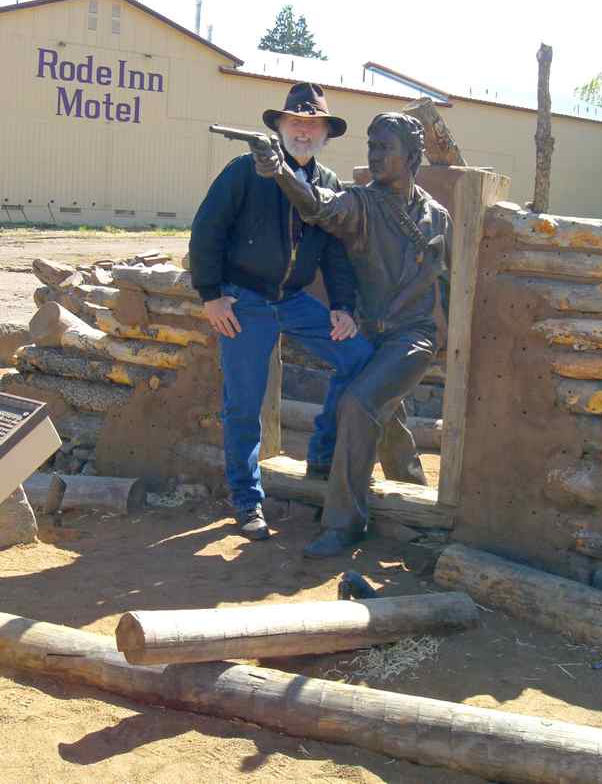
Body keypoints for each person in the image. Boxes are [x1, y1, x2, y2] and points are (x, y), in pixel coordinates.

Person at [253, 112, 453, 557]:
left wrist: (451, 344)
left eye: (385, 146)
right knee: (378, 404)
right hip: (371, 334)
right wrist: (282, 171)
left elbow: (449, 284)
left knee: (358, 402)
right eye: (371, 145)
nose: (375, 154)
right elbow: (318, 204)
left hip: (413, 337)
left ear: (411, 155)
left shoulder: (437, 218)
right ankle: (411, 491)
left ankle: (345, 523)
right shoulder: (361, 203)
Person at [189, 82, 372, 541]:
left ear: (325, 133)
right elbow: (206, 231)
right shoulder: (244, 172)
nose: (304, 131)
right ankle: (248, 502)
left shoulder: (328, 185)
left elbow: (335, 255)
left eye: (313, 124)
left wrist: (344, 307)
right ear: (280, 126)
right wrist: (210, 294)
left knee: (358, 358)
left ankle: (322, 453)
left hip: (291, 300)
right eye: (296, 122)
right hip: (244, 301)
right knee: (243, 407)